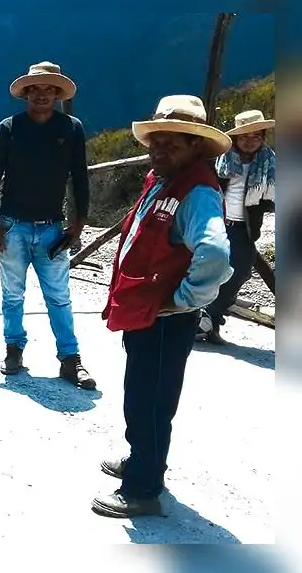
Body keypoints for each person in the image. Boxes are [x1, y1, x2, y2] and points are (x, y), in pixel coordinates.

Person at [93, 95, 233, 518]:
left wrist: (184, 300)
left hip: (166, 317)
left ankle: (143, 489)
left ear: (195, 147)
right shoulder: (165, 179)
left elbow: (216, 254)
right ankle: (143, 462)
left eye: (173, 142)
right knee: (142, 392)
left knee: (150, 398)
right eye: (156, 140)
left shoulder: (198, 193)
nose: (159, 149)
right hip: (150, 311)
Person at [0, 61, 94, 388]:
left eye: (49, 90)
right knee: (12, 293)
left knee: (59, 295)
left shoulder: (71, 128)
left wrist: (79, 221)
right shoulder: (9, 128)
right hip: (12, 225)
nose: (42, 95)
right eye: (36, 90)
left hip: (51, 227)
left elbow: (79, 177)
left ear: (57, 94)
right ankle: (13, 348)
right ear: (27, 93)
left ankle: (70, 360)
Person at [198, 109, 276, 344]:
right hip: (217, 222)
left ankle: (208, 319)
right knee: (210, 271)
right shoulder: (220, 160)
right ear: (235, 139)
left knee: (240, 271)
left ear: (263, 137)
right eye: (244, 137)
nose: (250, 141)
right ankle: (204, 323)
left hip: (245, 229)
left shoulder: (270, 164)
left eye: (256, 136)